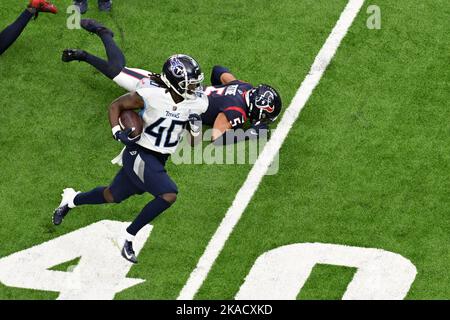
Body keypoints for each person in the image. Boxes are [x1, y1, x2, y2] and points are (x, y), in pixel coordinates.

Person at [53, 53, 208, 264]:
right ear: (173, 83)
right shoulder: (152, 94)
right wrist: (117, 131)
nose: (195, 89)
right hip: (138, 151)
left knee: (111, 196)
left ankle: (71, 200)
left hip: (159, 158)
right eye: (189, 85)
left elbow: (194, 143)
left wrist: (196, 127)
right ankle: (128, 237)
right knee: (169, 194)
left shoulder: (197, 104)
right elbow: (115, 106)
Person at [61, 19, 282, 145]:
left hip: (188, 91)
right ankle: (100, 37)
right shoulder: (236, 112)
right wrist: (250, 133)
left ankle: (97, 41)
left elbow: (220, 71)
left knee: (120, 71)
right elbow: (217, 137)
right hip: (177, 94)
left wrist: (217, 92)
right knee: (118, 72)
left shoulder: (244, 87)